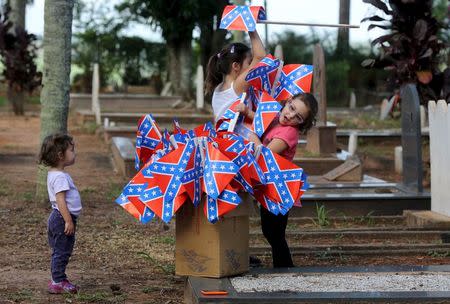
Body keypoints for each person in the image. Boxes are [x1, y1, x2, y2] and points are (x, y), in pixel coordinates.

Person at [249, 93, 318, 267]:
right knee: (271, 231)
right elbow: (259, 120)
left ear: (301, 123)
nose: (290, 116)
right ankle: (282, 267)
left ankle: (285, 268)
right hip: (270, 186)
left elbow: (265, 154)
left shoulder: (289, 133)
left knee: (274, 232)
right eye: (291, 108)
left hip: (279, 189)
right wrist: (246, 111)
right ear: (287, 102)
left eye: (298, 117)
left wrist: (251, 136)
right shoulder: (276, 119)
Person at [38, 133, 81, 294]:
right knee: (62, 251)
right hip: (62, 218)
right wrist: (68, 221)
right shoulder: (60, 177)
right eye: (72, 149)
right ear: (60, 155)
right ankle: (57, 281)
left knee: (60, 250)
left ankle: (58, 279)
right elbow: (61, 200)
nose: (74, 153)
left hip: (58, 217)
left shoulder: (55, 174)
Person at [205, 30, 266, 122]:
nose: (251, 66)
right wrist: (251, 28)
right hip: (236, 136)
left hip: (223, 135)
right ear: (236, 66)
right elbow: (260, 57)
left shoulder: (219, 87)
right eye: (249, 63)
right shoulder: (236, 86)